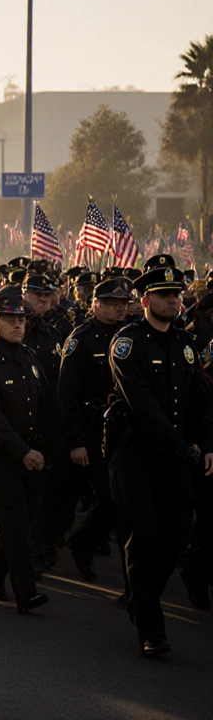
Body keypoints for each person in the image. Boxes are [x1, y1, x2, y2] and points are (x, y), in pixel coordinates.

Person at [107, 266, 213, 656]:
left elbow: (202, 400)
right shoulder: (128, 344)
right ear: (145, 300)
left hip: (176, 459)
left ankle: (141, 598)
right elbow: (145, 408)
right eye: (165, 295)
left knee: (176, 536)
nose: (173, 300)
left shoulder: (183, 345)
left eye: (177, 295)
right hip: (135, 457)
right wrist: (184, 445)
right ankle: (152, 631)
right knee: (144, 538)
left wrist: (207, 444)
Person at [0, 292, 56, 614]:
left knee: (29, 523)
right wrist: (22, 452)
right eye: (10, 320)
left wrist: (47, 447)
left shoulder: (30, 358)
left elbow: (47, 404)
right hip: (0, 456)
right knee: (15, 526)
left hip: (32, 453)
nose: (17, 325)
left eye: (21, 320)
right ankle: (26, 593)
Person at [55, 277, 132, 583]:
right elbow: (67, 393)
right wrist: (75, 441)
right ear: (96, 305)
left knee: (122, 499)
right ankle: (80, 542)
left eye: (124, 304)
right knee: (111, 498)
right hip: (91, 430)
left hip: (123, 430)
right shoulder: (82, 339)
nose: (120, 310)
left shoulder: (129, 337)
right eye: (113, 305)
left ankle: (83, 541)